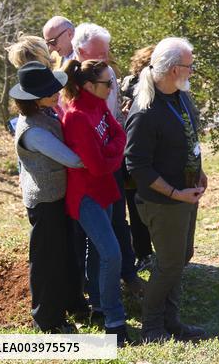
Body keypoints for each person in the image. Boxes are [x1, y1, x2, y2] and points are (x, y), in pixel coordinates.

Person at [124, 37, 207, 343]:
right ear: (174, 69)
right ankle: (152, 327)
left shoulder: (180, 96)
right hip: (163, 201)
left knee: (181, 256)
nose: (193, 71)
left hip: (187, 194)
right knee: (170, 263)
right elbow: (136, 165)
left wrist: (200, 172)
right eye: (190, 66)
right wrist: (174, 193)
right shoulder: (145, 111)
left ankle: (172, 321)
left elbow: (186, 139)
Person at [9, 62, 86, 333]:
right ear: (31, 99)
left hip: (56, 198)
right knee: (47, 262)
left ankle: (70, 305)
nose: (57, 93)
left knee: (63, 255)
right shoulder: (33, 130)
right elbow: (72, 159)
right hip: (45, 203)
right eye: (49, 91)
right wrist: (99, 157)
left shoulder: (46, 114)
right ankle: (48, 320)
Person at [61, 59, 131, 346]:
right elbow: (99, 165)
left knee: (99, 251)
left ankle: (100, 306)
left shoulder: (98, 103)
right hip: (86, 196)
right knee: (112, 253)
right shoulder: (77, 117)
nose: (112, 87)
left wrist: (110, 152)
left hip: (104, 190)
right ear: (89, 85)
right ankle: (115, 321)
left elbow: (119, 134)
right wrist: (114, 154)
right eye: (107, 83)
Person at [71, 22, 142, 298]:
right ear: (79, 51)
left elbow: (114, 125)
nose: (105, 61)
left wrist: (112, 150)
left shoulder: (106, 74)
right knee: (85, 236)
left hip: (108, 164)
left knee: (117, 222)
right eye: (97, 55)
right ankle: (89, 293)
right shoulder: (68, 78)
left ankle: (126, 276)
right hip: (82, 173)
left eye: (106, 54)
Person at [118, 45, 156, 272]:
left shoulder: (124, 84)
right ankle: (143, 253)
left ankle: (143, 253)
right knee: (137, 205)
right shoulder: (136, 87)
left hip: (128, 155)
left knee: (136, 206)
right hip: (135, 156)